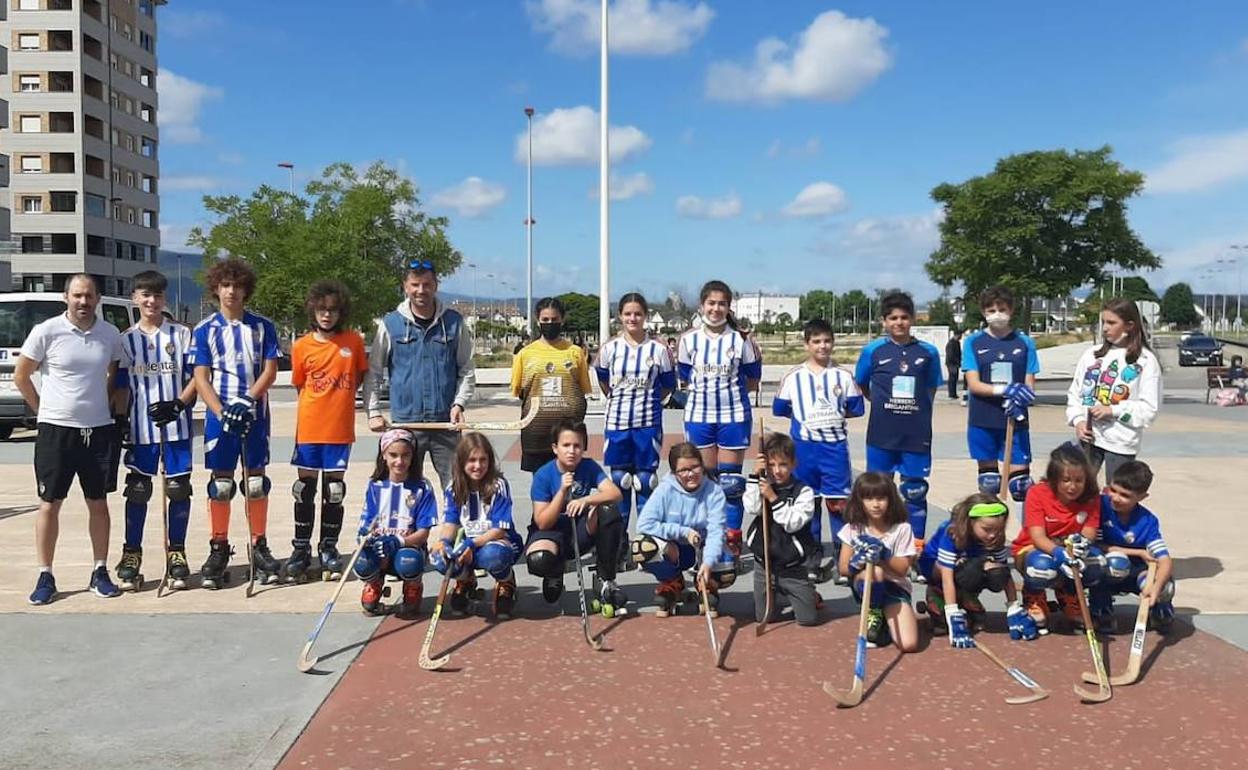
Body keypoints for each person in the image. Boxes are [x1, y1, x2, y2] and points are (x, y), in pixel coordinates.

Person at [16, 274, 128, 604]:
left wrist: (108, 408)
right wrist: (44, 411)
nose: (83, 301)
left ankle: (100, 570)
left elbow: (115, 375)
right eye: (77, 295)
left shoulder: (109, 334)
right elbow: (22, 376)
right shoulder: (47, 331)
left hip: (98, 431)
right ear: (66, 297)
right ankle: (45, 574)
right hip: (55, 432)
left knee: (99, 503)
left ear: (98, 299)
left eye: (89, 296)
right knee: (50, 504)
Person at [191, 257, 283, 588]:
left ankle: (258, 544)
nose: (231, 291)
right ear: (216, 289)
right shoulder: (204, 330)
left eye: (237, 286)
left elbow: (270, 370)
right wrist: (220, 411)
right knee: (221, 485)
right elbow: (201, 378)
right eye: (225, 285)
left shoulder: (262, 327)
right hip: (221, 419)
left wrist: (247, 400)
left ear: (246, 290)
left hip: (255, 415)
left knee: (256, 483)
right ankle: (218, 547)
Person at [114, 270, 198, 592]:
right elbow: (122, 385)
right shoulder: (126, 340)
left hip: (175, 427)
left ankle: (176, 552)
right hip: (140, 429)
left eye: (157, 295)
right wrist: (121, 420)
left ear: (165, 299)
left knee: (177, 489)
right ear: (135, 298)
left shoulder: (181, 335)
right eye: (145, 295)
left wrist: (178, 403)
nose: (151, 301)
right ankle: (131, 554)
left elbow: (196, 377)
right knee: (137, 490)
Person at [364, 259, 475, 493]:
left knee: (458, 488)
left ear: (436, 285)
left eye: (426, 284)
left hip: (445, 423)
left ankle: (454, 530)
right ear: (405, 286)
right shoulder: (391, 323)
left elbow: (466, 368)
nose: (421, 290)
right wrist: (373, 411)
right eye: (415, 284)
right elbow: (373, 371)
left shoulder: (454, 323)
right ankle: (407, 531)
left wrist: (459, 403)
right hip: (405, 423)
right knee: (404, 490)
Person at [854, 291, 943, 571]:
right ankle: (877, 544)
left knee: (915, 492)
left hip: (916, 435)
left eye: (904, 317)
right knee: (877, 493)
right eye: (893, 318)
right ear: (884, 321)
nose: (899, 322)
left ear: (912, 319)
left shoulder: (927, 352)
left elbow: (930, 388)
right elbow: (862, 385)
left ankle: (915, 547)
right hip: (881, 435)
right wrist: (883, 404)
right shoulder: (873, 351)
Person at [286, 281, 368, 583]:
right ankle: (301, 549)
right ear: (313, 311)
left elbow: (358, 376)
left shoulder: (353, 342)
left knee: (334, 492)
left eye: (333, 310)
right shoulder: (301, 345)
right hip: (309, 427)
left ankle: (329, 548)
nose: (327, 315)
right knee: (305, 490)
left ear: (340, 312)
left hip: (339, 429)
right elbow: (299, 383)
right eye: (321, 310)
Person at [773, 318, 863, 583]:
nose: (823, 346)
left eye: (827, 341)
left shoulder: (843, 376)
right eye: (816, 341)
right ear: (807, 344)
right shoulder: (794, 377)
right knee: (808, 504)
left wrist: (829, 418)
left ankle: (842, 559)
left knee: (838, 505)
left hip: (834, 449)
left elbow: (856, 408)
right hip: (804, 451)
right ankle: (810, 558)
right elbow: (781, 409)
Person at [677, 280, 762, 562]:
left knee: (731, 484)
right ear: (702, 306)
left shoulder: (741, 339)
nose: (716, 309)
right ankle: (707, 537)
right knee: (704, 481)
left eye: (721, 304)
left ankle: (731, 540)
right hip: (699, 416)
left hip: (733, 416)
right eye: (711, 303)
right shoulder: (689, 340)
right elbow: (686, 376)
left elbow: (752, 379)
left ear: (729, 307)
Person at [595, 293, 676, 538]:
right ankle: (618, 543)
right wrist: (617, 398)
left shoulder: (659, 349)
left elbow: (668, 384)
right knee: (619, 480)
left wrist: (649, 401)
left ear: (645, 317)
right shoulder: (610, 348)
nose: (633, 318)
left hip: (647, 424)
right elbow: (603, 379)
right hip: (617, 424)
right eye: (628, 314)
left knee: (645, 480)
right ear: (620, 316)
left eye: (638, 314)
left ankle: (647, 540)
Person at [524, 419, 625, 613]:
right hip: (551, 531)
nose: (572, 451)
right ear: (555, 448)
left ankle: (607, 580)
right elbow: (543, 522)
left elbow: (615, 493)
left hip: (579, 528)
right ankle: (554, 573)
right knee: (539, 560)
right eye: (566, 445)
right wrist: (562, 491)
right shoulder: (543, 475)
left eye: (577, 446)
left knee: (608, 510)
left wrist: (586, 500)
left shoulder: (588, 467)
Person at [918, 493, 1039, 647]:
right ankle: (937, 596)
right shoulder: (952, 533)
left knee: (997, 572)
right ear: (970, 522)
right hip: (937, 571)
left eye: (998, 529)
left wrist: (1013, 606)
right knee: (972, 567)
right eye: (986, 529)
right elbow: (946, 575)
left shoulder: (995, 538)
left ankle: (968, 596)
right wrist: (952, 612)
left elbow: (1005, 574)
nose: (992, 535)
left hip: (968, 566)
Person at [1011, 443, 1106, 634]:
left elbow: (1089, 530)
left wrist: (1081, 545)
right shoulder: (1037, 493)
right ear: (1054, 479)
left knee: (1097, 563)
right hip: (1033, 549)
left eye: (1079, 480)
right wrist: (1059, 552)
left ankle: (1070, 597)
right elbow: (1037, 537)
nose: (1073, 486)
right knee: (1042, 568)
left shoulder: (1091, 497)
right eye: (1066, 480)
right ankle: (1034, 596)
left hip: (1070, 546)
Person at [630, 442, 732, 617]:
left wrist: (708, 563)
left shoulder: (714, 491)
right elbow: (644, 524)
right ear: (674, 473)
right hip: (677, 549)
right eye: (683, 470)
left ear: (702, 466)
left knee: (728, 556)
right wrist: (683, 532)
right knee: (641, 546)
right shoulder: (665, 490)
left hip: (703, 547)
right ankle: (672, 580)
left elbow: (716, 530)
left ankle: (707, 584)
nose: (690, 474)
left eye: (695, 467)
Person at [1066, 298, 1161, 484]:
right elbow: (1075, 394)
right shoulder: (1091, 355)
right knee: (1079, 493)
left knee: (1115, 495)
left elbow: (1150, 409)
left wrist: (1113, 410)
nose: (1105, 328)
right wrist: (1078, 421)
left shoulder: (1145, 361)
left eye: (1111, 323)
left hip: (1121, 443)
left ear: (1130, 325)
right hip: (1090, 439)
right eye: (1103, 322)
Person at [962, 286, 1040, 513]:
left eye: (1002, 309)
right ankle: (990, 533)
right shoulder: (973, 343)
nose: (997, 314)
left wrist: (1022, 396)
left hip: (1015, 421)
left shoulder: (1025, 343)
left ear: (1011, 310)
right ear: (984, 312)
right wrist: (1005, 391)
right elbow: (974, 384)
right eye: (991, 309)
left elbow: (1029, 385)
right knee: (989, 484)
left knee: (1020, 486)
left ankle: (1026, 537)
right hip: (983, 419)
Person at [429, 432, 523, 620]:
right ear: (461, 462)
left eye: (483, 460)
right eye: (472, 460)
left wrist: (472, 545)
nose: (478, 466)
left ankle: (506, 581)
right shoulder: (453, 488)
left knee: (493, 556)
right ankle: (465, 580)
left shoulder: (498, 485)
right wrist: (444, 542)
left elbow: (499, 529)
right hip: (466, 542)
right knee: (439, 557)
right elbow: (451, 521)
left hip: (497, 541)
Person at [354, 429, 437, 618]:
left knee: (409, 562)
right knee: (361, 560)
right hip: (380, 546)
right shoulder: (375, 486)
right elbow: (366, 522)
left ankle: (413, 585)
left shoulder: (422, 487)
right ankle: (374, 582)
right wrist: (365, 537)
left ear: (412, 457)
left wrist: (398, 542)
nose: (399, 461)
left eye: (405, 455)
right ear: (384, 455)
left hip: (407, 547)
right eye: (393, 455)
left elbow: (423, 533)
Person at [1089, 460, 1176, 634]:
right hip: (1110, 569)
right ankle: (1101, 609)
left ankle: (1159, 608)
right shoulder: (1099, 506)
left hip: (1137, 572)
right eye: (1113, 490)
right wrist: (1138, 552)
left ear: (1142, 497)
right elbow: (1097, 545)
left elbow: (1165, 560)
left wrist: (1155, 588)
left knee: (1165, 585)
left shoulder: (1148, 521)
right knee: (1112, 563)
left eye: (1125, 495)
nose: (1115, 498)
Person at [836, 472, 920, 651]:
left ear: (891, 500)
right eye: (869, 498)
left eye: (881, 498)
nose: (875, 504)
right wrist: (856, 563)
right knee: (875, 572)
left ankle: (884, 625)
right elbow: (843, 569)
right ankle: (873, 612)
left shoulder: (902, 529)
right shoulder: (853, 528)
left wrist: (883, 555)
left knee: (909, 644)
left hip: (895, 588)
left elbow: (903, 569)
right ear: (859, 501)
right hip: (866, 584)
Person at [743, 433, 820, 626]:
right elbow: (752, 508)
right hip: (765, 564)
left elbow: (792, 523)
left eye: (783, 464)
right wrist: (754, 476)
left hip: (792, 565)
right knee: (763, 618)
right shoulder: (761, 483)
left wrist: (773, 498)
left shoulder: (804, 492)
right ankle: (773, 594)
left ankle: (809, 595)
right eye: (771, 465)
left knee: (807, 620)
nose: (777, 471)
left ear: (793, 464)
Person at [510, 297, 592, 474]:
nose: (550, 323)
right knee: (542, 490)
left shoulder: (576, 353)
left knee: (569, 489)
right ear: (537, 320)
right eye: (545, 320)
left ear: (562, 319)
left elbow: (583, 390)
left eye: (554, 320)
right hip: (536, 434)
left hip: (568, 435)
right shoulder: (525, 354)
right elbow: (519, 391)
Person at [945, 328, 963, 400]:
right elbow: (950, 355)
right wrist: (955, 362)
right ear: (957, 335)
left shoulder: (957, 342)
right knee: (952, 378)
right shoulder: (951, 343)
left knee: (955, 378)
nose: (961, 337)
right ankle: (951, 394)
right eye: (960, 335)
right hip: (951, 363)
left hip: (956, 364)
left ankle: (954, 394)